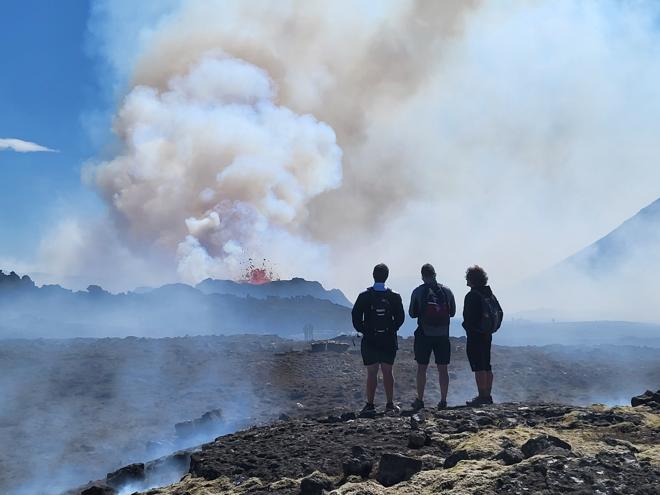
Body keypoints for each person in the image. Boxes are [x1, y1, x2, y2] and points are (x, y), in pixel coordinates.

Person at [351, 263, 405, 416]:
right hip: (388, 339)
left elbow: (355, 318)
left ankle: (370, 405)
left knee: (372, 373)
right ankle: (389, 404)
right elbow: (400, 318)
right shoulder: (394, 296)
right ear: (387, 276)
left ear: (373, 275)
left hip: (370, 340)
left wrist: (365, 330)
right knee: (388, 371)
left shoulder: (364, 296)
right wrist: (391, 330)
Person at [409, 263, 456, 411]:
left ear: (422, 276)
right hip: (443, 335)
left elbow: (412, 313)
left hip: (424, 334)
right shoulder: (447, 291)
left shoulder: (418, 291)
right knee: (443, 369)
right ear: (435, 274)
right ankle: (443, 401)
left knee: (422, 368)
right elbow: (453, 312)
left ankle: (420, 400)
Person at [462, 265, 503, 406]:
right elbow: (500, 313)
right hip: (487, 334)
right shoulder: (489, 294)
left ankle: (481, 396)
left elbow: (468, 319)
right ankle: (488, 395)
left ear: (472, 280)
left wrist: (468, 327)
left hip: (475, 336)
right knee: (486, 364)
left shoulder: (472, 296)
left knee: (478, 365)